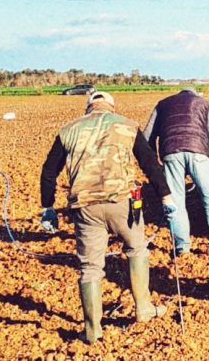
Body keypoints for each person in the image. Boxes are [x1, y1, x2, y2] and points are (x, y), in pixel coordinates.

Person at [38, 91, 172, 343]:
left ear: (88, 107)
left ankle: (92, 329)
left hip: (85, 206)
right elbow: (149, 163)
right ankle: (143, 308)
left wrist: (48, 207)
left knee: (90, 267)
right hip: (122, 201)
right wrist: (165, 195)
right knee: (136, 249)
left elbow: (48, 171)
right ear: (111, 106)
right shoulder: (127, 125)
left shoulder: (68, 130)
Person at [143, 86, 209, 257]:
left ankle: (182, 249)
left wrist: (157, 164)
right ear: (194, 94)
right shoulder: (204, 103)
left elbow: (147, 136)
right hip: (199, 153)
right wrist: (206, 155)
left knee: (176, 201)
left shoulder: (162, 104)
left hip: (171, 153)